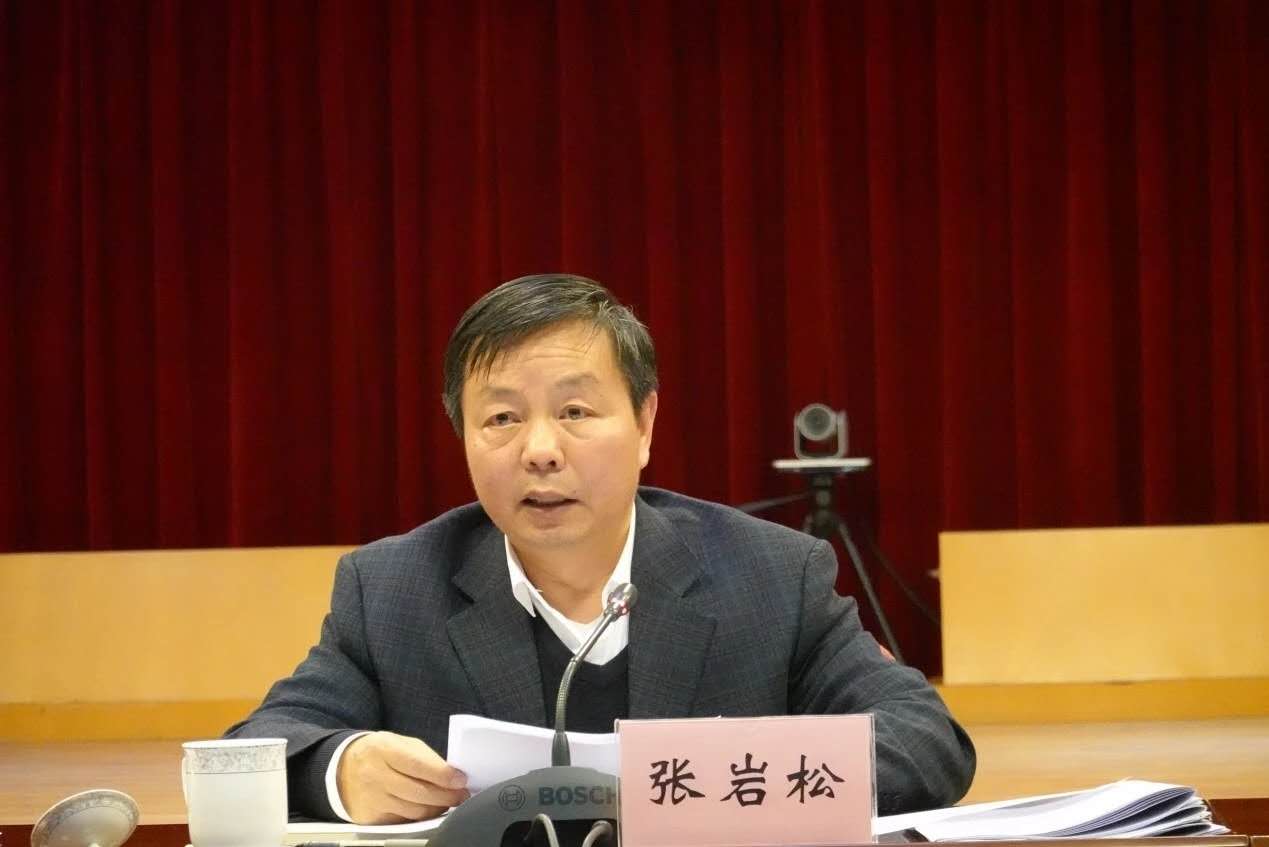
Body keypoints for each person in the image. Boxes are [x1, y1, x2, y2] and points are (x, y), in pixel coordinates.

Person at [226, 273, 975, 823]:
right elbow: (258, 748)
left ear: (645, 425)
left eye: (576, 411)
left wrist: (714, 785)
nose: (539, 450)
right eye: (501, 419)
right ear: (462, 436)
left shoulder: (771, 576)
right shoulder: (391, 588)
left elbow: (926, 742)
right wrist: (339, 769)